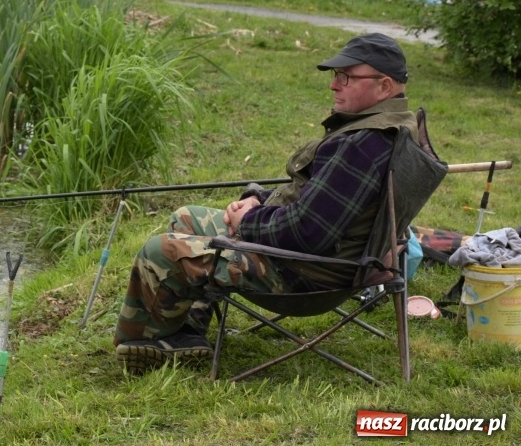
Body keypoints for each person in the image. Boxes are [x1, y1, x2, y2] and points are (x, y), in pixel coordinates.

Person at [113, 33, 420, 373]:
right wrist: (258, 200)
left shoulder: (362, 145)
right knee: (186, 218)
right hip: (333, 259)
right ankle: (186, 334)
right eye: (335, 75)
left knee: (160, 251)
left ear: (385, 86)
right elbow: (317, 200)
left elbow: (307, 231)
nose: (334, 85)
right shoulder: (397, 126)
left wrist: (250, 220)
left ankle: (145, 343)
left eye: (347, 77)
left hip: (304, 273)